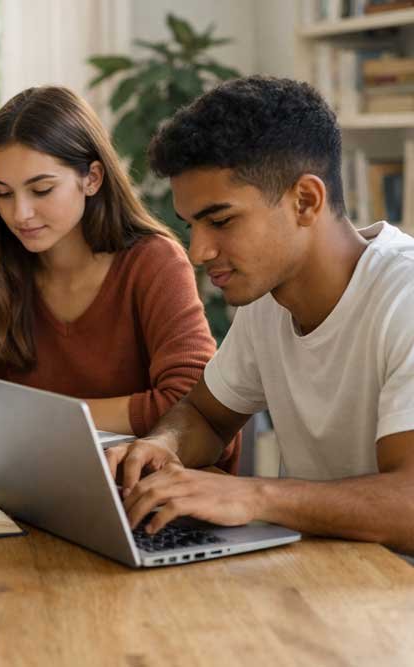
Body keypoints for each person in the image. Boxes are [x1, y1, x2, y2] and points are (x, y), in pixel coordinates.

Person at [105, 76, 414, 553]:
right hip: (324, 579)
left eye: (221, 221)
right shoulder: (269, 294)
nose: (199, 252)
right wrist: (164, 446)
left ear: (305, 201)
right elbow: (206, 418)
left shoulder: (404, 296)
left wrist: (253, 495)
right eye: (192, 226)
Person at [0, 86, 237, 468]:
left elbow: (190, 405)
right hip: (18, 481)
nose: (21, 214)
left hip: (131, 487)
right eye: (2, 194)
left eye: (41, 189)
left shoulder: (153, 262)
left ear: (92, 178)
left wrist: (33, 416)